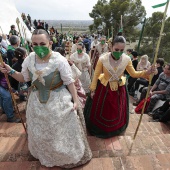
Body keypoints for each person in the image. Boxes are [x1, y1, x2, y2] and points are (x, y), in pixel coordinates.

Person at [0, 29, 92, 168]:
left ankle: (62, 156)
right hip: (36, 101)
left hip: (58, 99)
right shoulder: (29, 59)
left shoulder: (59, 60)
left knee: (58, 131)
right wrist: (10, 71)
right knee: (41, 131)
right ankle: (45, 153)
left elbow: (69, 81)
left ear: (50, 43)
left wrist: (76, 100)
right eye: (34, 44)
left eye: (42, 43)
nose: (38, 47)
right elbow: (23, 78)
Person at [83, 35, 156, 138]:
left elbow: (134, 74)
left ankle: (115, 128)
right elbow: (96, 75)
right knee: (103, 109)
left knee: (117, 109)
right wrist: (93, 89)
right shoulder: (103, 59)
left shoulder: (127, 59)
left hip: (119, 89)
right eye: (116, 49)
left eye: (122, 50)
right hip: (104, 88)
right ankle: (101, 129)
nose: (119, 52)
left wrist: (146, 72)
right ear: (111, 46)